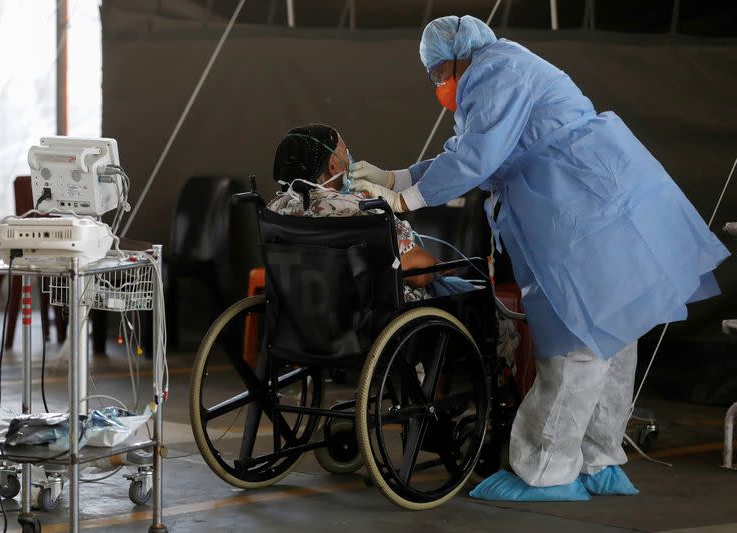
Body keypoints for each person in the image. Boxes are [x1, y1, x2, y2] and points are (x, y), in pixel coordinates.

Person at [348, 15, 730, 501]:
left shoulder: (493, 72)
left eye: (439, 73)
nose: (438, 85)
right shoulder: (502, 70)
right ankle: (599, 460)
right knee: (613, 335)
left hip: (581, 213)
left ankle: (546, 470)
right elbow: (472, 152)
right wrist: (395, 178)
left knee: (577, 339)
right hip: (605, 203)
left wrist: (406, 201)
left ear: (459, 56)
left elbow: (478, 158)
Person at [269, 123, 481, 301]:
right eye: (346, 152)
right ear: (333, 165)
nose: (349, 157)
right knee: (473, 298)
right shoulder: (359, 209)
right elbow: (419, 274)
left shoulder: (276, 210)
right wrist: (435, 266)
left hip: (307, 318)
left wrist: (392, 179)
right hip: (369, 320)